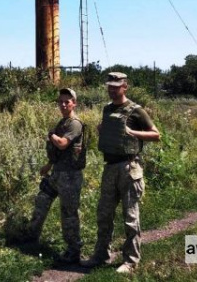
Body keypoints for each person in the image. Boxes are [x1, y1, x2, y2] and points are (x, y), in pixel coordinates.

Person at [82, 72, 161, 275]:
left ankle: (131, 260)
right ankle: (101, 255)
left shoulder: (136, 111)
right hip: (110, 167)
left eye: (116, 86)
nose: (112, 89)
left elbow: (156, 134)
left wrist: (133, 133)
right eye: (109, 86)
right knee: (103, 214)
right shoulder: (107, 109)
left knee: (130, 216)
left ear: (125, 87)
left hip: (128, 168)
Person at [24, 87, 86, 263]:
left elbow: (62, 144)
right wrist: (48, 165)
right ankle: (31, 236)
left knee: (68, 214)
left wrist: (51, 134)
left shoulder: (74, 124)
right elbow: (57, 152)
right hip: (57, 174)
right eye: (61, 101)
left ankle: (73, 251)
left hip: (70, 177)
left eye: (67, 101)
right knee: (42, 200)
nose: (63, 104)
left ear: (74, 103)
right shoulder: (62, 122)